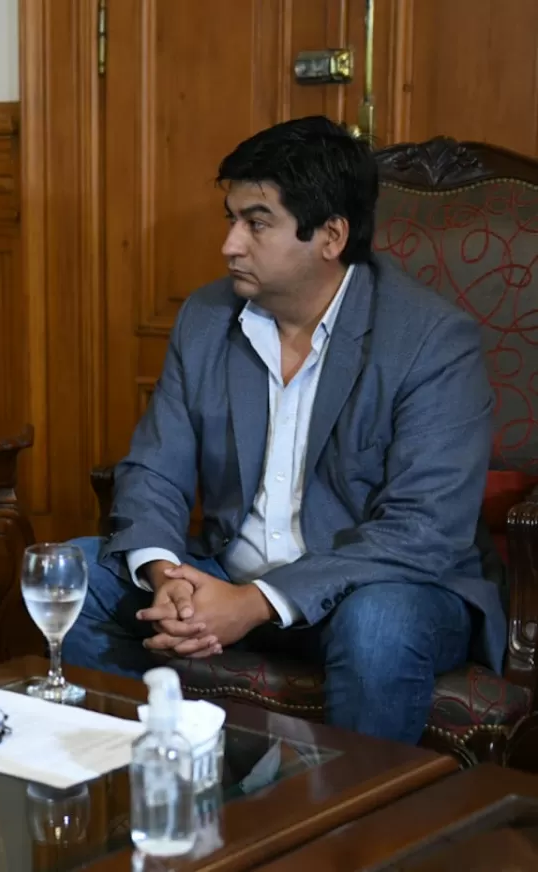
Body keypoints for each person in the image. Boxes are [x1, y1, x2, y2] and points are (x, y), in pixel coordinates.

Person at [63, 116, 502, 745]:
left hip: (379, 590)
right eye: (230, 218)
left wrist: (255, 603)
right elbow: (154, 468)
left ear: (330, 235)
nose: (230, 245)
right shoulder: (208, 317)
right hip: (226, 574)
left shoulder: (432, 342)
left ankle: (351, 836)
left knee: (378, 622)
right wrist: (168, 577)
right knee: (73, 573)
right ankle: (149, 779)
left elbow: (423, 532)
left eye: (257, 222)